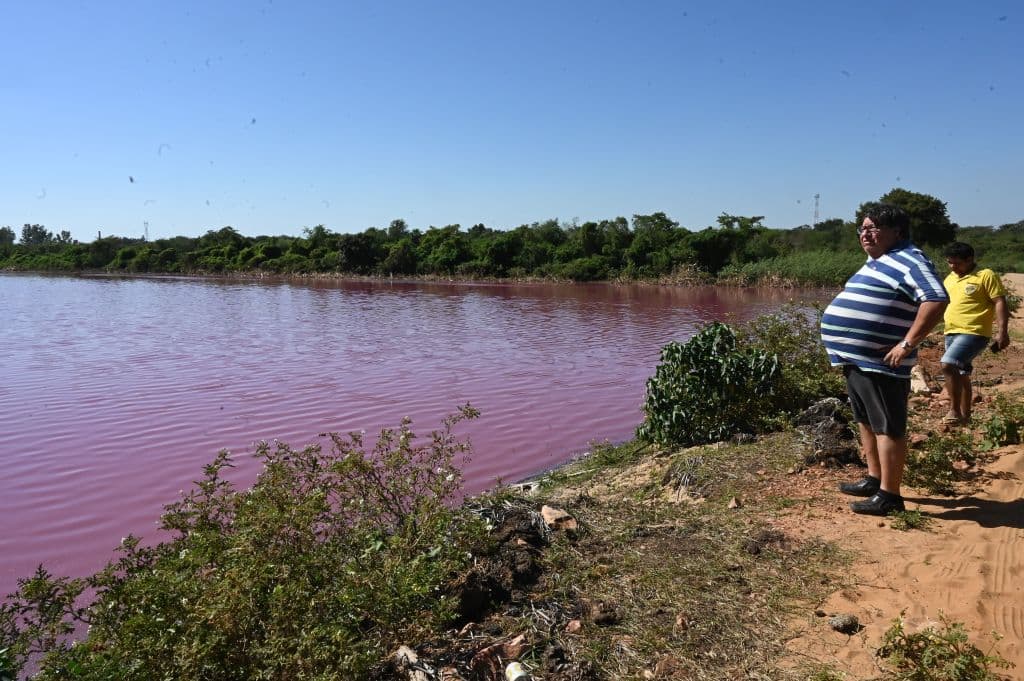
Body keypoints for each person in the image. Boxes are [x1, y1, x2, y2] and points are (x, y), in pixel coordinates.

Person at [821, 203, 948, 515]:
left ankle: (890, 496)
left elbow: (936, 299)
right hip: (857, 360)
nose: (865, 233)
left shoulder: (910, 260)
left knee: (888, 427)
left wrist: (906, 344)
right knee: (866, 421)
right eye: (863, 228)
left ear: (898, 232)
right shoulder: (880, 259)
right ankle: (875, 479)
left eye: (873, 228)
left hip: (881, 363)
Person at [940, 241, 1010, 424]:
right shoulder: (949, 279)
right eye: (950, 263)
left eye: (957, 263)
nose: (953, 267)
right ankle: (966, 417)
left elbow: (1000, 301)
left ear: (970, 259)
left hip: (974, 332)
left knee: (948, 365)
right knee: (961, 373)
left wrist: (1002, 332)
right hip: (951, 332)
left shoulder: (985, 275)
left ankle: (953, 411)